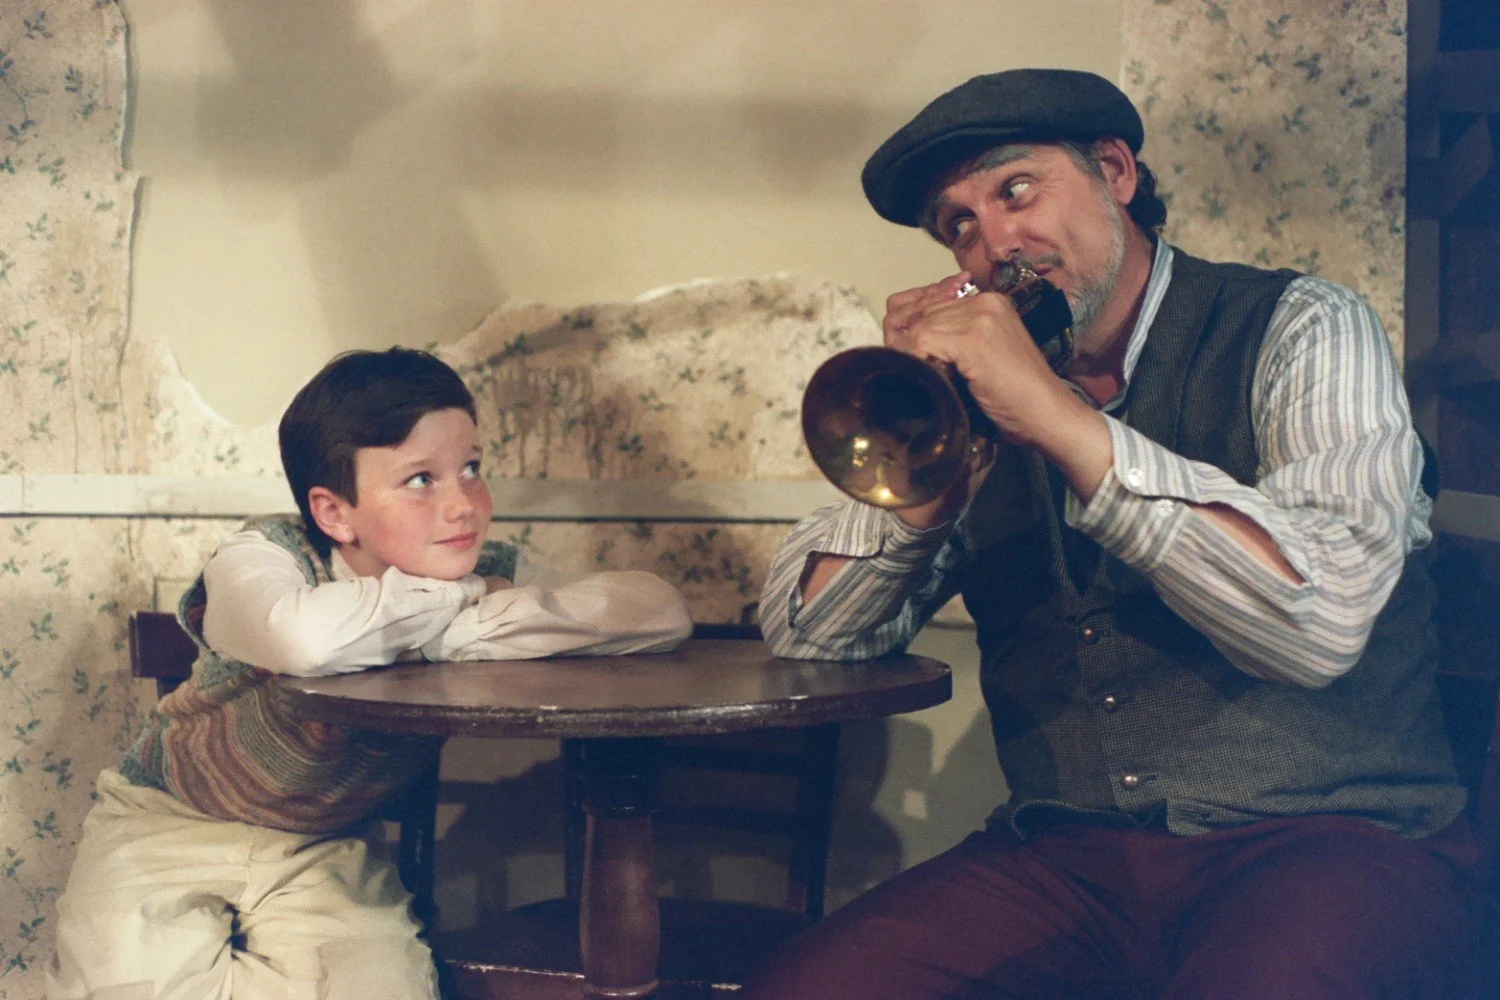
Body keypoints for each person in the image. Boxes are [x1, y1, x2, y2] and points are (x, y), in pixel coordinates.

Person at [744, 69, 1479, 1000]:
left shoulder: (1306, 325)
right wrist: (923, 470)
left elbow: (1323, 623)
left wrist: (1059, 420)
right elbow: (809, 637)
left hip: (1331, 841)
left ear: (1115, 173)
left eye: (1017, 191)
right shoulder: (981, 402)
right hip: (1067, 858)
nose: (995, 244)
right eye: (959, 225)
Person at [47, 347, 693, 1000]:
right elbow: (301, 640)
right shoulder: (265, 554)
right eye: (421, 479)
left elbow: (656, 611)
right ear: (333, 513)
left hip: (326, 844)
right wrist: (463, 602)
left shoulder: (487, 562)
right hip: (164, 823)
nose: (463, 505)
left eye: (471, 468)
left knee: (384, 987)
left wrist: (454, 632)